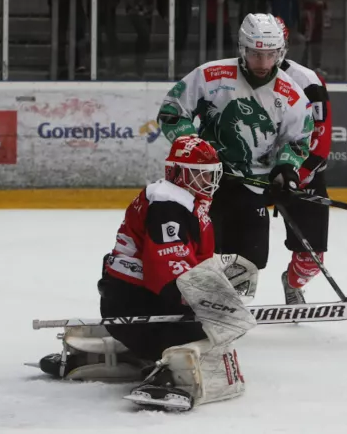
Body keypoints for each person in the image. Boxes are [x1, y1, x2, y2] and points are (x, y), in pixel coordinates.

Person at [37, 135, 258, 411]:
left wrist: (217, 282)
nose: (207, 182)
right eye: (199, 175)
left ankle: (132, 352)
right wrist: (211, 308)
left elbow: (188, 262)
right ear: (176, 172)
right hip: (138, 307)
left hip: (134, 301)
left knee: (212, 320)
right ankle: (167, 374)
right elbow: (166, 272)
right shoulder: (168, 206)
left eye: (211, 175)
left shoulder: (184, 201)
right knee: (211, 329)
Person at [158, 14, 314, 278]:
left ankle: (233, 302)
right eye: (255, 54)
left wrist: (286, 168)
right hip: (203, 183)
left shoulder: (292, 93)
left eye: (271, 55)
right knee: (203, 250)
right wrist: (196, 150)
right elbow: (172, 112)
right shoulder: (212, 75)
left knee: (251, 258)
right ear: (242, 49)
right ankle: (194, 296)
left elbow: (298, 140)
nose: (263, 63)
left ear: (281, 52)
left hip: (254, 184)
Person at [275, 16, 332, 304]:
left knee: (311, 259)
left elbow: (321, 135)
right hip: (247, 173)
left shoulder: (306, 80)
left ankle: (293, 281)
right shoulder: (230, 78)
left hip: (299, 173)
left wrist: (302, 172)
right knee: (229, 251)